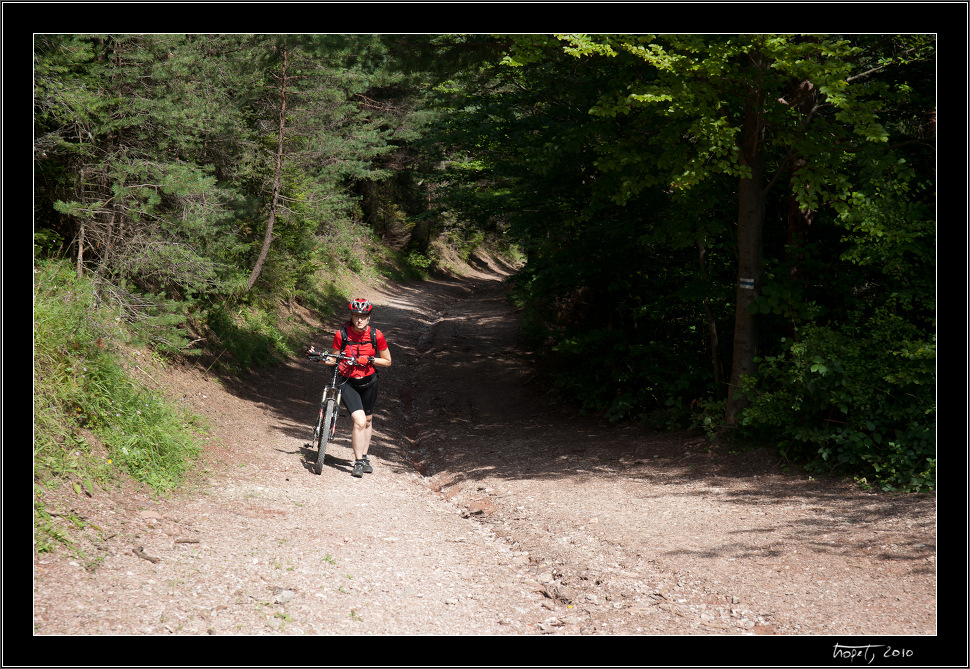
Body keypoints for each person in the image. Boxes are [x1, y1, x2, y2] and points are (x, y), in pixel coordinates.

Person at [308, 298, 392, 477]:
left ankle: (365, 455)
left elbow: (387, 361)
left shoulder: (377, 335)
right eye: (356, 316)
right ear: (351, 317)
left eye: (363, 316)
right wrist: (319, 357)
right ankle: (358, 461)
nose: (359, 320)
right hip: (347, 382)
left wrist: (369, 359)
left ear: (368, 317)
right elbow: (334, 359)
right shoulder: (342, 335)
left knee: (368, 420)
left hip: (370, 382)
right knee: (360, 421)